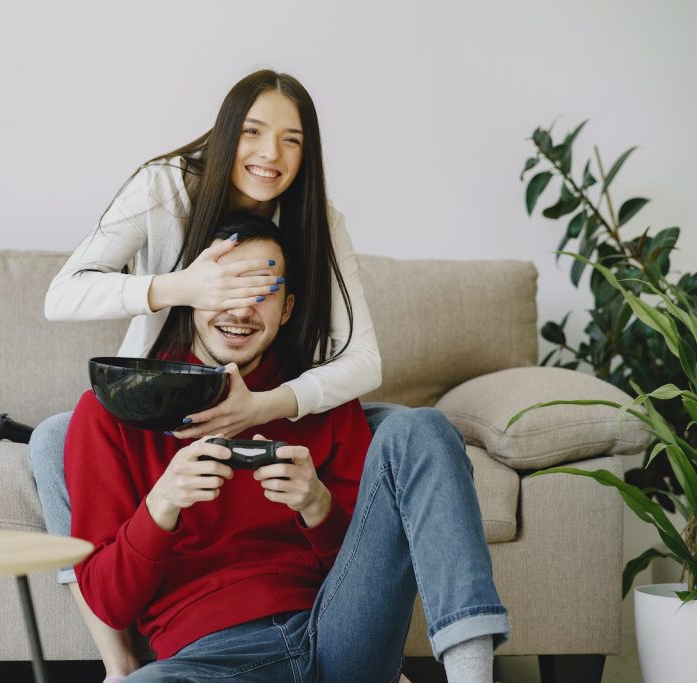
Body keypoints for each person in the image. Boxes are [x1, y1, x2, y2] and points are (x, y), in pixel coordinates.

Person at [31, 69, 384, 679]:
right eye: (253, 131)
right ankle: (117, 663)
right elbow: (62, 295)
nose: (270, 154)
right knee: (54, 438)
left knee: (414, 434)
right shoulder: (166, 188)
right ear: (227, 134)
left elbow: (365, 363)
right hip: (165, 395)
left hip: (281, 409)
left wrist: (271, 415)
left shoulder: (316, 217)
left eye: (291, 139)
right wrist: (182, 286)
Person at [66, 216, 509, 683]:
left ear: (287, 308)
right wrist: (162, 504)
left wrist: (318, 506)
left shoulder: (322, 399)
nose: (241, 311)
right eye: (228, 288)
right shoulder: (109, 414)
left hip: (335, 637)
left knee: (421, 426)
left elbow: (378, 570)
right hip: (204, 662)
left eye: (263, 293)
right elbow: (110, 603)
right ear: (191, 294)